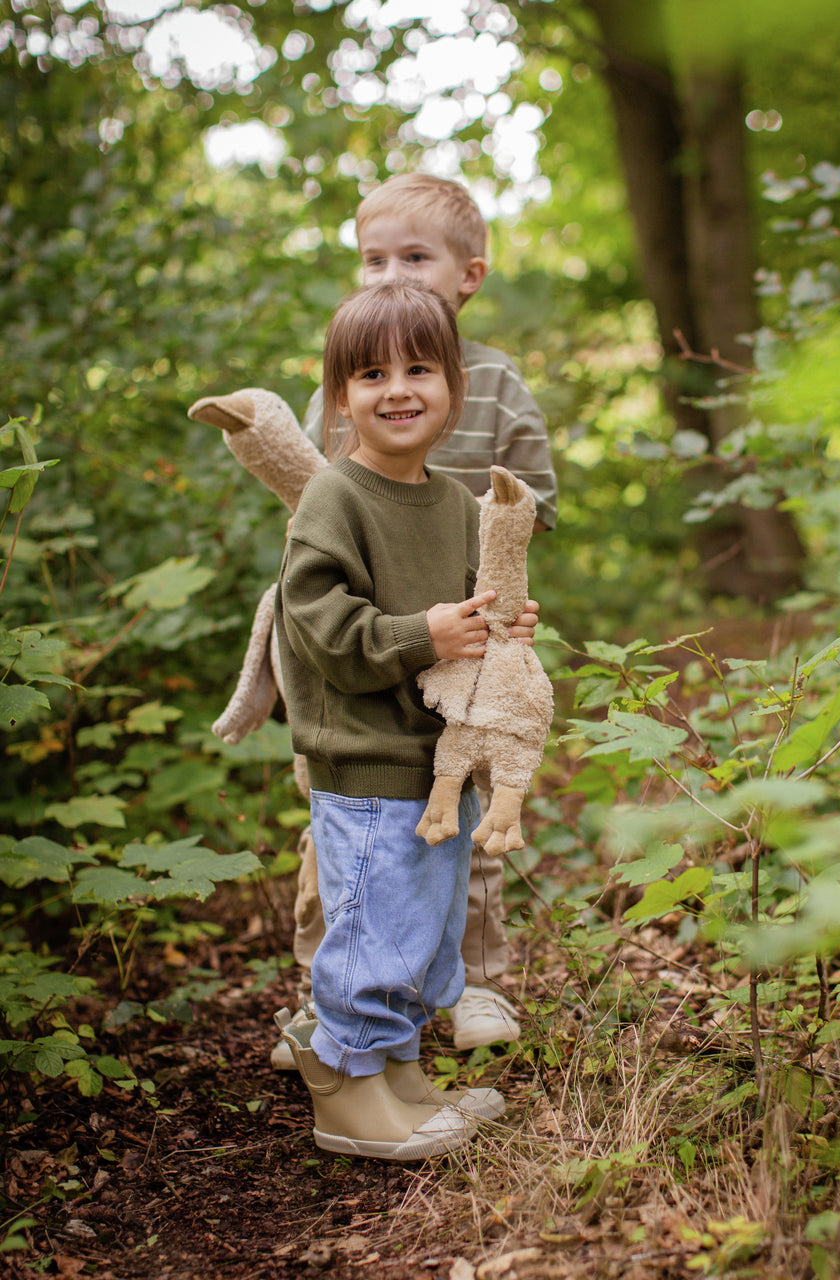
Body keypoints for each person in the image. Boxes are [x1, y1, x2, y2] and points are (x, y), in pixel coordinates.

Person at [274, 174, 557, 1066]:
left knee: (461, 812)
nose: (390, 272)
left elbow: (531, 502)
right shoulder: (356, 378)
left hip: (464, 634)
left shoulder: (492, 382)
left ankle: (470, 981)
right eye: (373, 259)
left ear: (468, 275)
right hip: (372, 642)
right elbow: (331, 500)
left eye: (414, 257)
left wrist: (496, 593)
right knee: (344, 829)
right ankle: (330, 998)